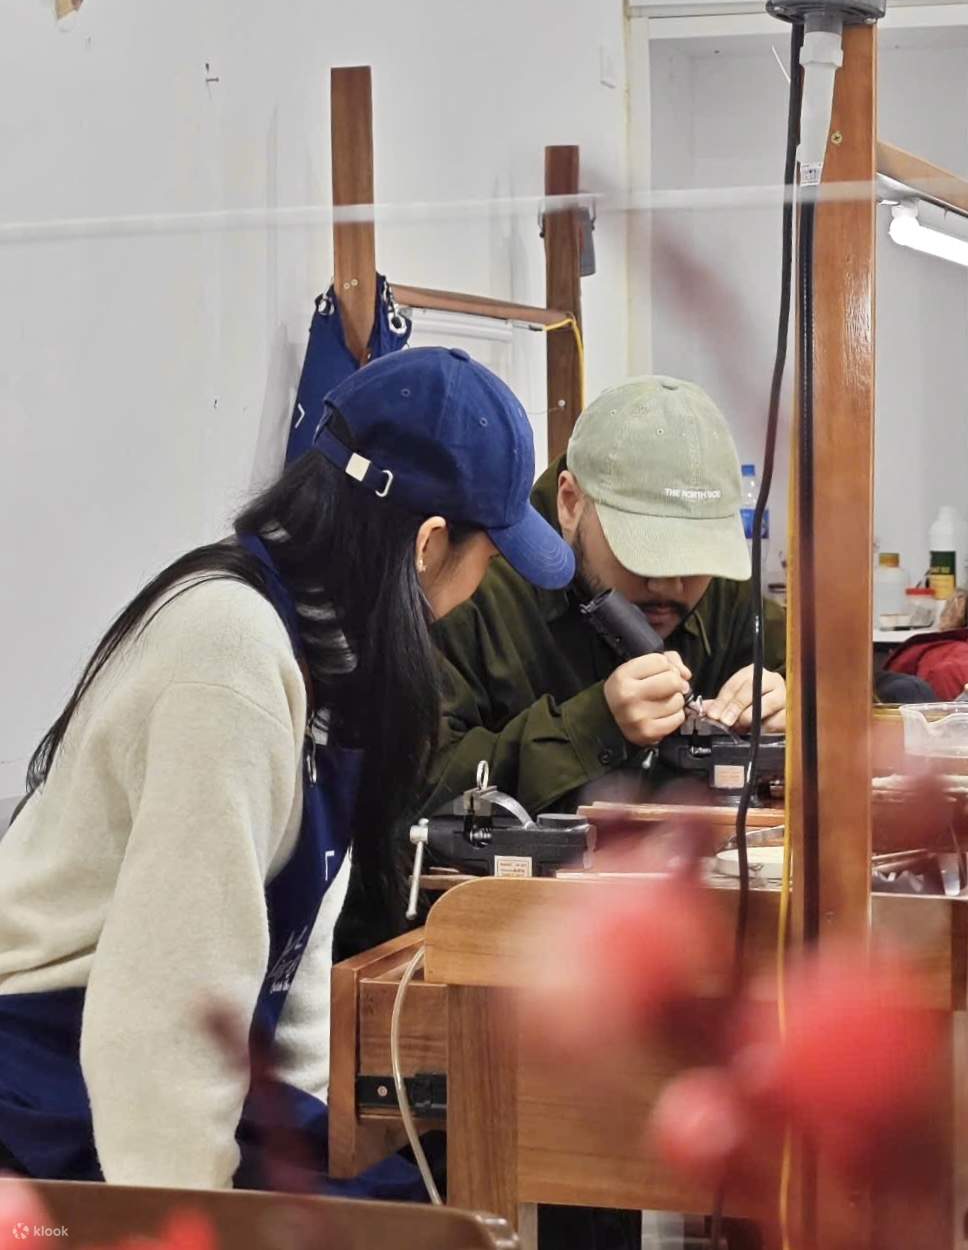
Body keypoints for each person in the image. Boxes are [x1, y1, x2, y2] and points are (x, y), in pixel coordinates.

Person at [0, 347, 574, 1193]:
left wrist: (326, 1142)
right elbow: (161, 1013)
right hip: (59, 1076)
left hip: (192, 1063)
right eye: (491, 556)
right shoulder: (229, 656)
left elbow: (292, 960)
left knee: (422, 1188)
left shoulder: (330, 656)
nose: (483, 586)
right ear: (427, 545)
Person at [423, 375, 786, 820]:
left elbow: (852, 689)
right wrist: (592, 728)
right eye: (646, 554)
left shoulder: (720, 589)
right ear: (571, 503)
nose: (670, 587)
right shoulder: (472, 590)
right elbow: (419, 792)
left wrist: (797, 711)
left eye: (693, 560)